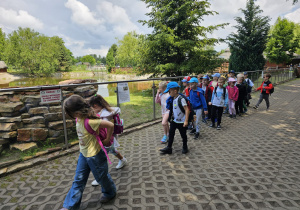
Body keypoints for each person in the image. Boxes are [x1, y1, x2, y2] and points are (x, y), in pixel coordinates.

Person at [60, 95, 116, 210]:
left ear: (77, 112)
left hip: (96, 155)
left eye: (70, 113)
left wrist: (106, 140)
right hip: (84, 154)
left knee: (101, 177)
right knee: (78, 179)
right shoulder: (78, 118)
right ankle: (71, 206)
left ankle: (110, 192)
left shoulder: (90, 122)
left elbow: (110, 125)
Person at [88, 94, 127, 186]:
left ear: (96, 106)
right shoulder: (107, 111)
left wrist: (107, 139)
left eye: (92, 108)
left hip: (107, 139)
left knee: (100, 158)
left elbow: (107, 128)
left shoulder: (105, 115)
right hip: (109, 139)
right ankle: (123, 159)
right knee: (112, 150)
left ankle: (100, 178)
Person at [160, 82, 190, 154]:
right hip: (174, 120)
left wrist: (186, 121)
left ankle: (185, 146)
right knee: (171, 134)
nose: (169, 93)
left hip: (182, 122)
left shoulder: (181, 99)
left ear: (175, 91)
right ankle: (169, 148)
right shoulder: (173, 98)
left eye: (169, 91)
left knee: (183, 135)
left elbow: (187, 110)